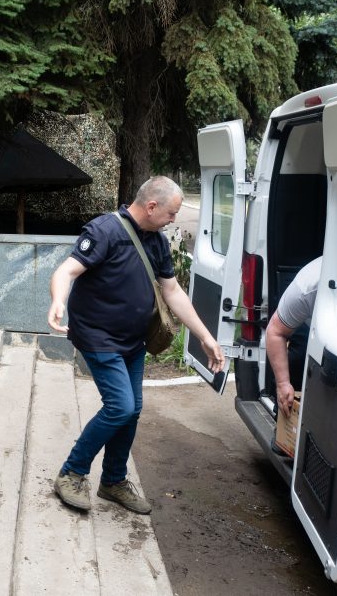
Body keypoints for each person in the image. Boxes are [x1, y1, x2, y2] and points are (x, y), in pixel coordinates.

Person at [46, 177, 225, 514]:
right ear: (152, 206)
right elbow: (66, 272)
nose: (175, 219)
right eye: (172, 213)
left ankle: (113, 480)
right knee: (120, 407)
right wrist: (58, 301)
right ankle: (72, 472)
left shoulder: (156, 241)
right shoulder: (104, 232)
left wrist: (204, 335)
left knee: (132, 410)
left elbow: (172, 291)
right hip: (98, 337)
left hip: (132, 340)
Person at [266, 257, 321, 418]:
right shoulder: (307, 287)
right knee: (296, 361)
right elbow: (275, 332)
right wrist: (283, 384)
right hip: (308, 323)